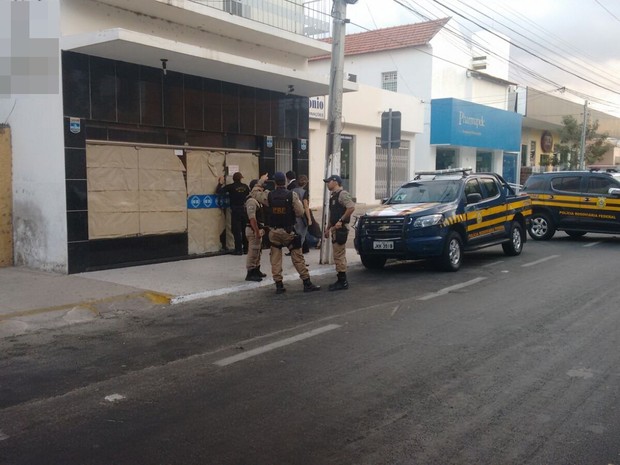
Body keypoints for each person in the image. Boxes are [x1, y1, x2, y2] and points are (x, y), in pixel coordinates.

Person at [266, 172, 320, 294]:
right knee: (297, 257)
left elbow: (257, 197)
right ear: (284, 181)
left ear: (274, 182)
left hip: (274, 231)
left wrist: (259, 182)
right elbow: (300, 212)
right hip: (288, 231)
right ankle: (307, 283)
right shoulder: (291, 195)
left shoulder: (269, 195)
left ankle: (279, 285)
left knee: (275, 259)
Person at [323, 174, 355, 291]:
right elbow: (333, 215)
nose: (327, 183)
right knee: (337, 255)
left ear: (335, 182)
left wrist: (341, 221)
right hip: (335, 228)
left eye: (329, 181)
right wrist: (328, 228)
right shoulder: (334, 197)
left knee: (339, 255)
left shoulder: (342, 194)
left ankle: (343, 281)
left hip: (340, 229)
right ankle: (340, 279)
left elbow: (351, 207)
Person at [217, 172, 250, 255]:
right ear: (241, 178)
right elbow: (248, 195)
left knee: (236, 230)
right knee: (244, 229)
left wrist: (220, 183)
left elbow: (219, 191)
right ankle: (246, 249)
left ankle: (238, 250)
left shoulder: (231, 187)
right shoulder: (245, 187)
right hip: (244, 210)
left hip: (235, 210)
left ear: (233, 179)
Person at [244, 175, 269, 281]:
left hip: (258, 230)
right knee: (253, 251)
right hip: (253, 230)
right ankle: (250, 272)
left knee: (258, 251)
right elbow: (252, 218)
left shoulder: (257, 200)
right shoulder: (251, 201)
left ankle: (256, 269)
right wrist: (257, 231)